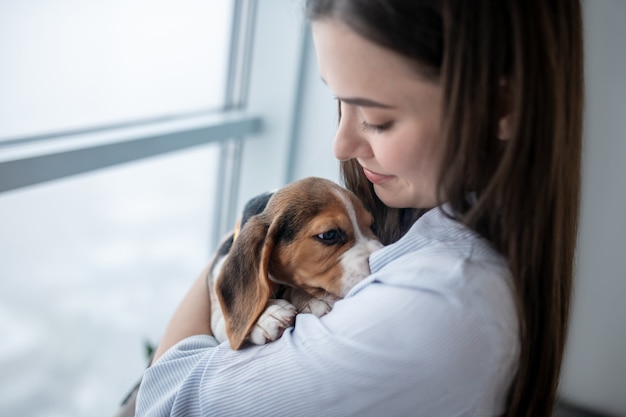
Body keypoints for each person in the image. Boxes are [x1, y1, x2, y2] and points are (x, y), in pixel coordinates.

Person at [135, 1, 584, 416]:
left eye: (378, 118)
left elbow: (164, 401)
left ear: (500, 106)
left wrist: (237, 240)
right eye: (339, 100)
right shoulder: (431, 224)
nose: (341, 145)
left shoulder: (437, 307)